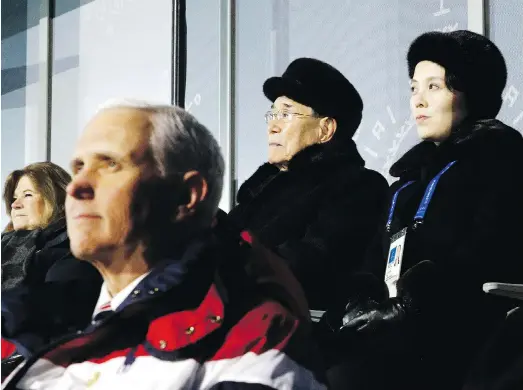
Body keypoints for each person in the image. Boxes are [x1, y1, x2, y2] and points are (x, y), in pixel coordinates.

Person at [1, 102, 326, 389]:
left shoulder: (253, 341)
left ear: (186, 196)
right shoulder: (37, 318)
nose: (77, 186)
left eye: (110, 164)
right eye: (78, 167)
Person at [337, 30, 523, 390]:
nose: (417, 101)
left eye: (434, 87)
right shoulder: (406, 184)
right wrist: (360, 300)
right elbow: (373, 260)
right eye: (413, 88)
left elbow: (485, 254)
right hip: (394, 338)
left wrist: (411, 305)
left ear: (472, 93)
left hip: (465, 335)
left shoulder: (501, 159)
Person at [227, 57, 388, 311]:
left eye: (286, 114)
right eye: (273, 113)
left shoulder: (357, 186)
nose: (273, 125)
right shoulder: (259, 193)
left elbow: (311, 262)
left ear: (326, 129)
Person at [1, 162, 100, 290]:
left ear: (59, 202)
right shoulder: (5, 246)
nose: (15, 204)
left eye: (28, 195)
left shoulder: (74, 254)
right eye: (14, 198)